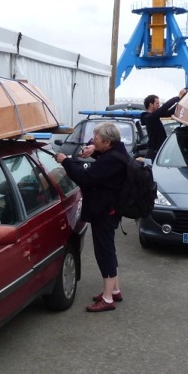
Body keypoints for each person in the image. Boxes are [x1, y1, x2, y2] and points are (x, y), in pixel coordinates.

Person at [54, 121, 128, 312]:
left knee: (104, 253)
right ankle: (115, 290)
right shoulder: (116, 152)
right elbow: (103, 156)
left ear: (107, 142)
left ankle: (107, 299)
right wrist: (94, 149)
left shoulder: (111, 160)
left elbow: (85, 178)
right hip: (109, 209)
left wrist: (65, 161)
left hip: (105, 212)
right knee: (108, 249)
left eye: (96, 139)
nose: (93, 141)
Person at [140, 88, 187, 160]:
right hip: (154, 151)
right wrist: (178, 97)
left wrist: (180, 102)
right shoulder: (148, 117)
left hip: (159, 149)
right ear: (151, 104)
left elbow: (169, 112)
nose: (159, 106)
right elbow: (164, 108)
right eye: (157, 103)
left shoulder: (155, 116)